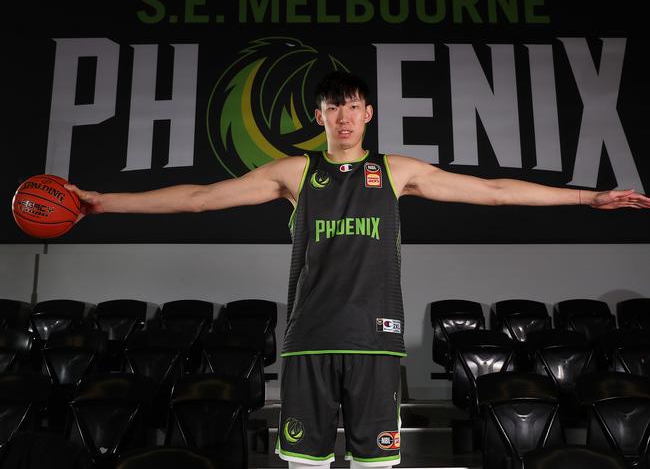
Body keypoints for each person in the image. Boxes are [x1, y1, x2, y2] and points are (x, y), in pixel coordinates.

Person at [66, 71, 650, 469]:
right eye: (332, 107)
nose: (343, 116)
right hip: (308, 343)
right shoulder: (294, 174)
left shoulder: (395, 171)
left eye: (352, 106)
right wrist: (102, 201)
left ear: (368, 113)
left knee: (376, 464)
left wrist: (584, 199)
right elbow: (197, 198)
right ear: (317, 115)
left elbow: (493, 191)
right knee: (306, 464)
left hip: (375, 341)